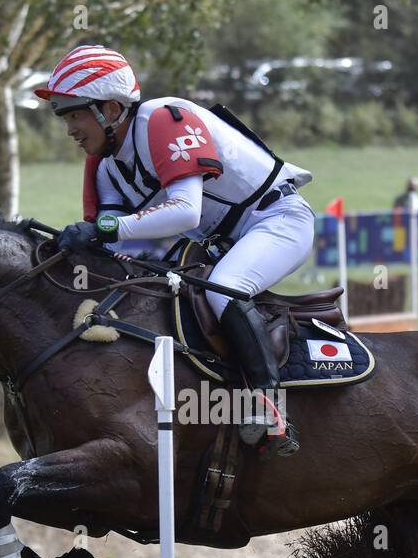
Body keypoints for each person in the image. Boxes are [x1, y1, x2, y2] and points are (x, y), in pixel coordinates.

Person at [38, 45, 315, 457]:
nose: (70, 130)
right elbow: (114, 242)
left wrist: (104, 228)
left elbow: (186, 211)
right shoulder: (105, 163)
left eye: (75, 114)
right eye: (65, 117)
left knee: (224, 288)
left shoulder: (164, 119)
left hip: (275, 221)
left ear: (111, 109)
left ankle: (268, 406)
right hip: (216, 243)